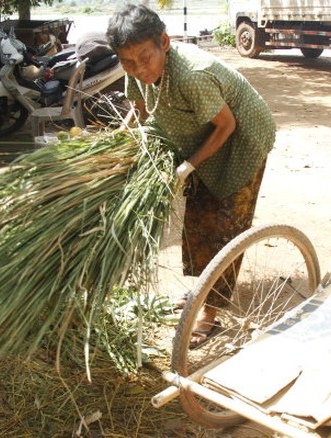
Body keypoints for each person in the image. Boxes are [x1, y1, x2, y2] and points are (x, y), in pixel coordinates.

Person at [106, 3, 276, 348]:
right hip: (201, 134)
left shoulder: (191, 75)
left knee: (225, 226)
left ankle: (210, 312)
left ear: (164, 42)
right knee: (198, 217)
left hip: (241, 137)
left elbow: (227, 125)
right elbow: (139, 112)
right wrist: (116, 146)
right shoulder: (135, 69)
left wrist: (187, 167)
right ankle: (202, 287)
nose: (138, 69)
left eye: (144, 58)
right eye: (127, 61)